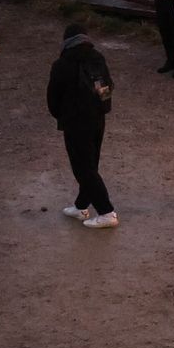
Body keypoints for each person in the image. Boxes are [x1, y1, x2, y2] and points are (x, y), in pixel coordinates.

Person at [47, 23, 117, 228]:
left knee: (82, 167)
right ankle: (81, 206)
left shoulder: (61, 64)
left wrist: (60, 115)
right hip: (97, 117)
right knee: (90, 163)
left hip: (75, 121)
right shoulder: (97, 57)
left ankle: (106, 211)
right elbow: (107, 86)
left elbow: (53, 97)